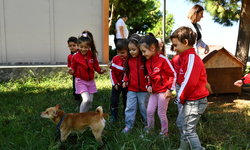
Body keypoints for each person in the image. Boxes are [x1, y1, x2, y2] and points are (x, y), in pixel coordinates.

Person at [170, 26, 209, 150]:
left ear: (185, 42)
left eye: (175, 45)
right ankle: (184, 147)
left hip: (195, 101)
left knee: (188, 129)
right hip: (190, 100)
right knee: (181, 123)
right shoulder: (183, 58)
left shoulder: (191, 58)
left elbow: (189, 82)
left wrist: (180, 97)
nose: (174, 48)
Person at [139, 33, 176, 138]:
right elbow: (149, 77)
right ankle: (150, 131)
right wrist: (149, 86)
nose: (143, 54)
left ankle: (165, 133)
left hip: (163, 92)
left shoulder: (163, 60)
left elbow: (173, 74)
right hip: (154, 92)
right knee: (149, 111)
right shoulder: (147, 62)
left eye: (144, 51)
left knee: (161, 113)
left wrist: (170, 89)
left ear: (152, 48)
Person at [68, 30, 107, 113]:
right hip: (80, 81)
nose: (83, 49)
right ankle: (80, 117)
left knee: (90, 101)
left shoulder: (92, 54)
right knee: (86, 100)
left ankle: (84, 117)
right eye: (81, 47)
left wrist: (101, 71)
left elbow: (96, 67)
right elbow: (73, 67)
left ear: (89, 46)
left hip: (91, 81)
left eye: (86, 47)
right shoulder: (75, 56)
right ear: (78, 46)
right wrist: (71, 71)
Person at [122, 34, 149, 133]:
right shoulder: (129, 60)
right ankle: (128, 125)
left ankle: (147, 124)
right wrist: (125, 80)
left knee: (144, 108)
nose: (131, 52)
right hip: (131, 89)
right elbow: (126, 72)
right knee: (129, 108)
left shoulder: (145, 60)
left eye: (134, 49)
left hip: (144, 90)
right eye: (130, 50)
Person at [109, 39, 128, 122]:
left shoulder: (129, 59)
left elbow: (127, 71)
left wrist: (125, 81)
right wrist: (114, 83)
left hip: (126, 84)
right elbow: (112, 71)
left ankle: (125, 116)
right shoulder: (115, 59)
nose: (120, 54)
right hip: (116, 83)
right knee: (114, 100)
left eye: (122, 52)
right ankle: (113, 116)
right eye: (118, 52)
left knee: (126, 100)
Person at [67, 36, 81, 103]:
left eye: (74, 45)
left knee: (84, 87)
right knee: (75, 88)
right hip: (75, 75)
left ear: (78, 46)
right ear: (68, 46)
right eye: (70, 45)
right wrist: (70, 70)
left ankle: (86, 100)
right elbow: (69, 65)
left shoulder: (81, 54)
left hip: (82, 73)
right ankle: (77, 101)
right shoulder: (69, 56)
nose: (72, 47)